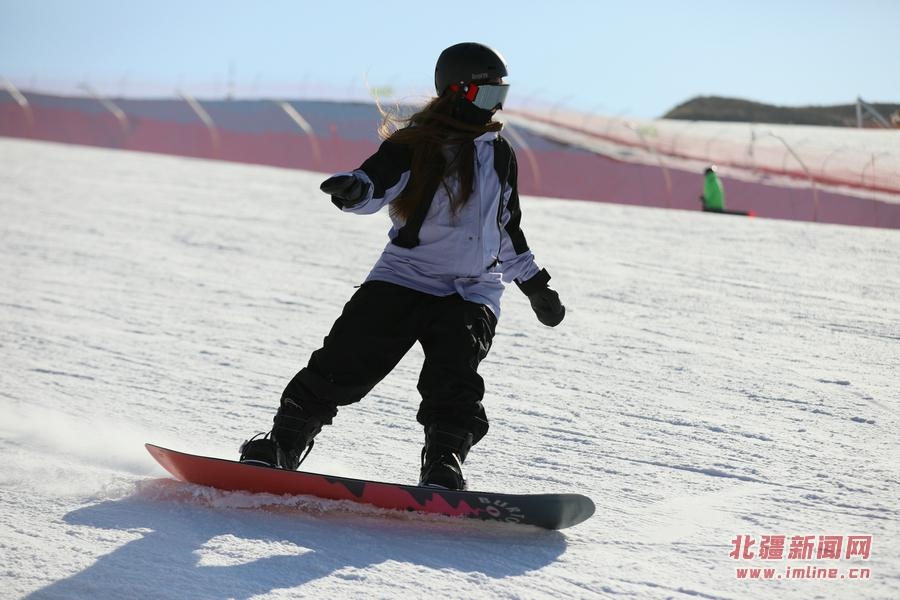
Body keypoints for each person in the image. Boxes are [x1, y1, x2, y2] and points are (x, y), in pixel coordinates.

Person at [239, 42, 565, 491]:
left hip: (471, 290)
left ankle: (444, 464)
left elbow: (506, 226)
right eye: (486, 94)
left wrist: (535, 285)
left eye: (500, 94)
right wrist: (356, 189)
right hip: (405, 278)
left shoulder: (500, 154)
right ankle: (282, 444)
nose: (495, 105)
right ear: (456, 92)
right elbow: (377, 179)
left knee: (455, 381)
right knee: (344, 362)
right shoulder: (415, 144)